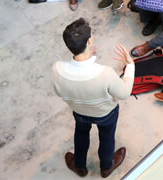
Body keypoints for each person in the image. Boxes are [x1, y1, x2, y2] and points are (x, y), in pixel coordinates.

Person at [51, 18, 133, 178]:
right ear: (89, 41)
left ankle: (79, 166)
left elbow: (59, 93)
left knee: (80, 134)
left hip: (79, 111)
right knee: (107, 138)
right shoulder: (105, 73)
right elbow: (124, 93)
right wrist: (130, 65)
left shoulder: (57, 69)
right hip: (106, 114)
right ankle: (106, 167)